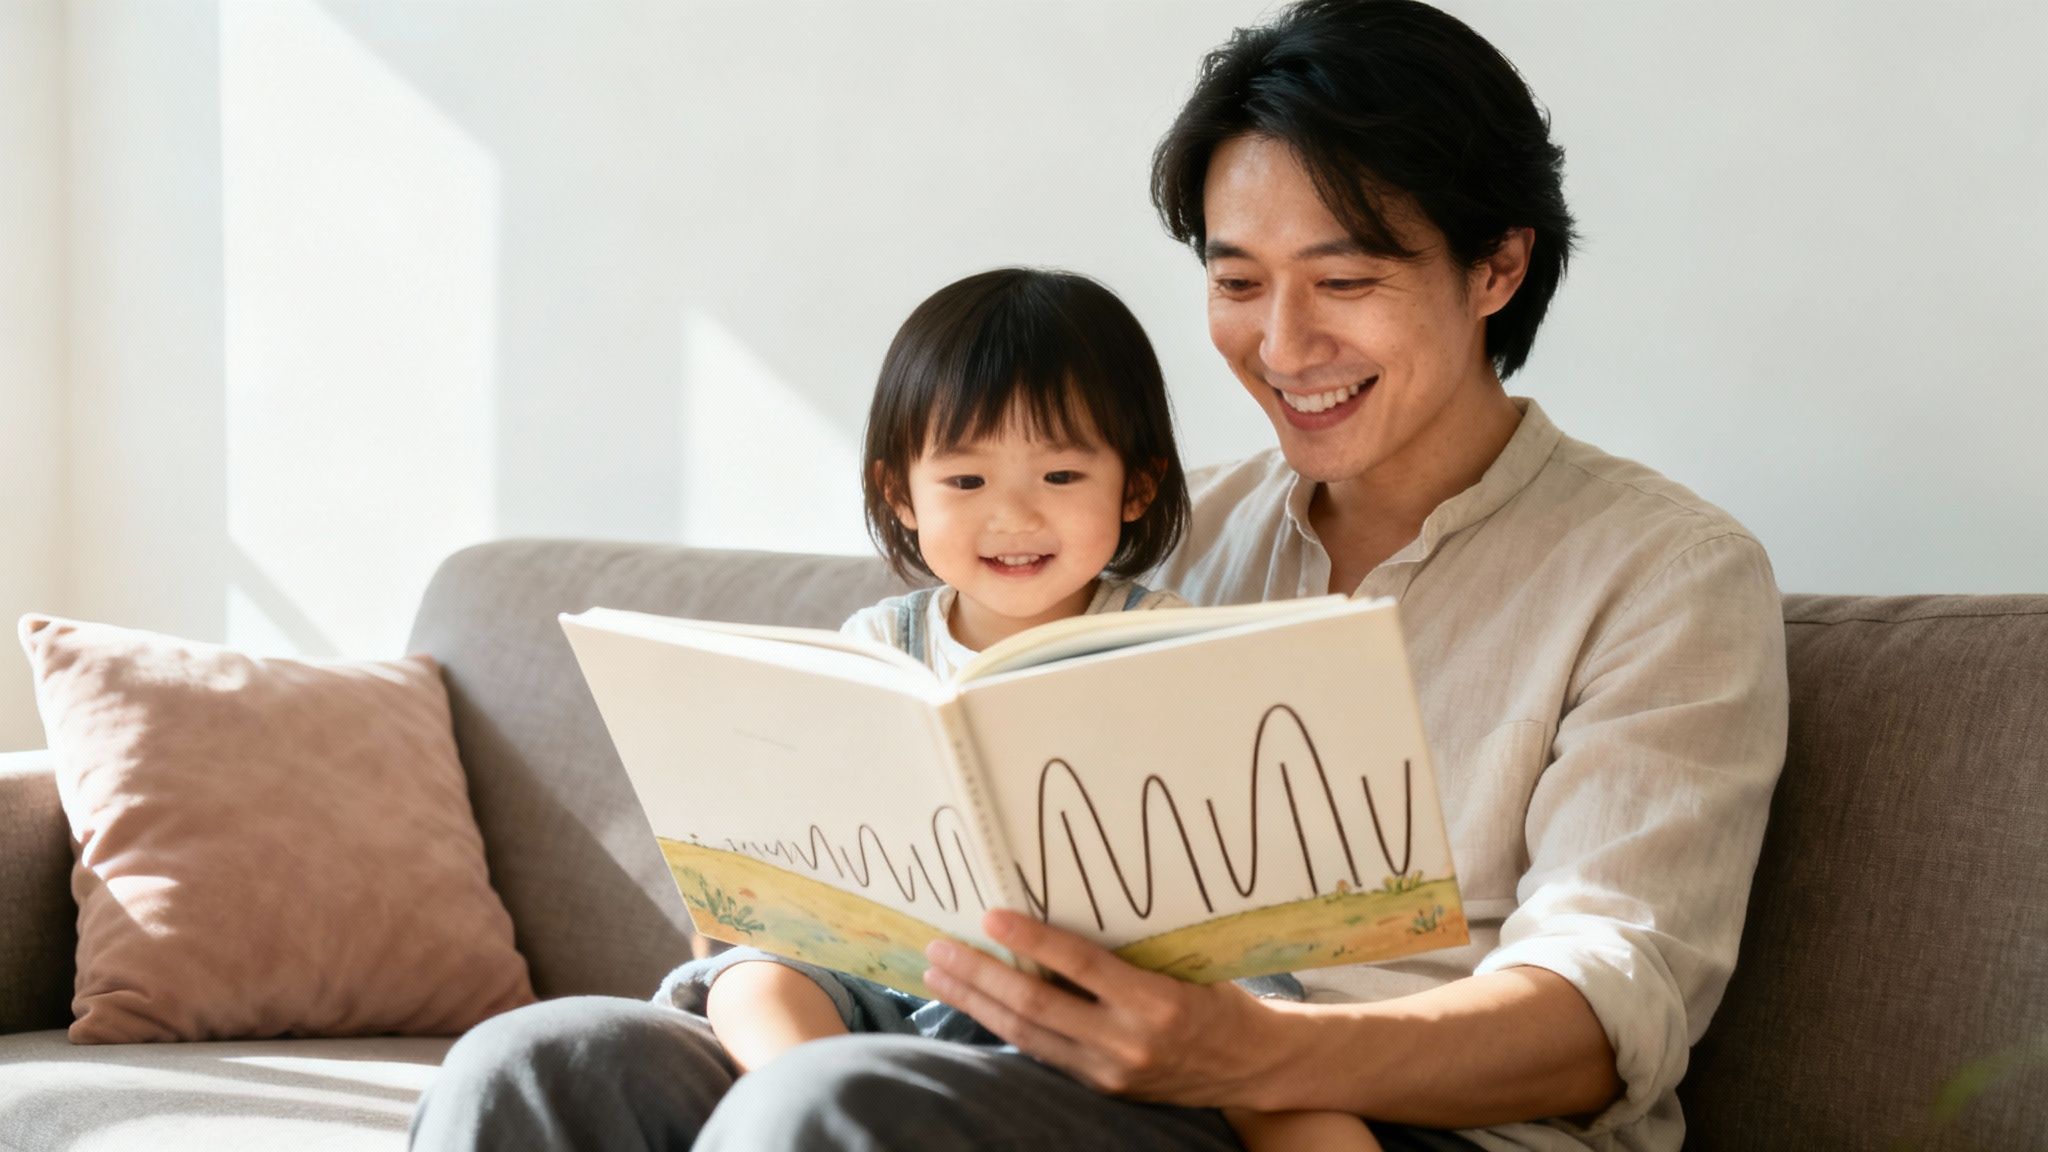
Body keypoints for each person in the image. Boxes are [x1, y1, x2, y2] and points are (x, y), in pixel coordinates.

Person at [409, 2, 1787, 1150]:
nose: (1282, 340)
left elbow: (1606, 1018)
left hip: (1381, 1126)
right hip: (1046, 1062)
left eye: (1343, 278)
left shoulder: (1665, 576)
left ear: (1497, 266)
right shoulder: (1159, 536)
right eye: (1238, 280)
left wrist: (1253, 1050)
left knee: (828, 1112)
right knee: (536, 1068)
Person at [672, 265, 1388, 1152]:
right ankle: (801, 1100)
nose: (1012, 517)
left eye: (1057, 475)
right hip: (897, 975)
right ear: (902, 493)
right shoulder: (875, 640)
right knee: (753, 977)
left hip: (1121, 977)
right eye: (966, 483)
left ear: (1135, 488)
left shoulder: (1168, 642)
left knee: (1272, 1053)